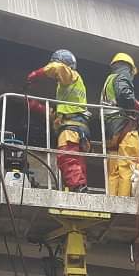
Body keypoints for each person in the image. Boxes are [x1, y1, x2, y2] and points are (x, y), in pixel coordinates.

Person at [26, 49, 90, 192]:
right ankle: (79, 186)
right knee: (77, 160)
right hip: (78, 127)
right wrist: (38, 108)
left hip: (71, 128)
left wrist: (37, 74)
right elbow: (59, 115)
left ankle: (77, 187)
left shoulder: (70, 76)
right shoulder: (71, 87)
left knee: (66, 156)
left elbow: (57, 68)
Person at [100, 52, 139, 197]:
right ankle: (126, 201)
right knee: (129, 165)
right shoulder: (122, 77)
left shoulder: (108, 80)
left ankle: (113, 200)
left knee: (114, 169)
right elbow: (124, 94)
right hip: (125, 127)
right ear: (129, 69)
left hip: (111, 130)